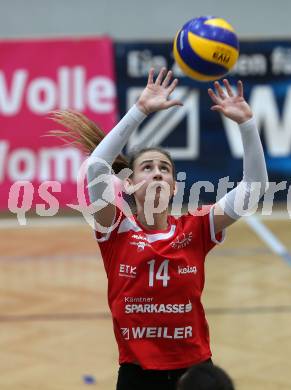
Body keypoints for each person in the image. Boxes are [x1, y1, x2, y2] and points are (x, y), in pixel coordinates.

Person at [51, 67, 268, 390]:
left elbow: (254, 188)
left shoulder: (196, 227)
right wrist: (140, 110)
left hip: (193, 371)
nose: (156, 173)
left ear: (175, 186)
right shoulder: (115, 228)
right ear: (128, 184)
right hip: (138, 373)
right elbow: (96, 167)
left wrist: (247, 124)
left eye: (164, 169)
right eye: (147, 168)